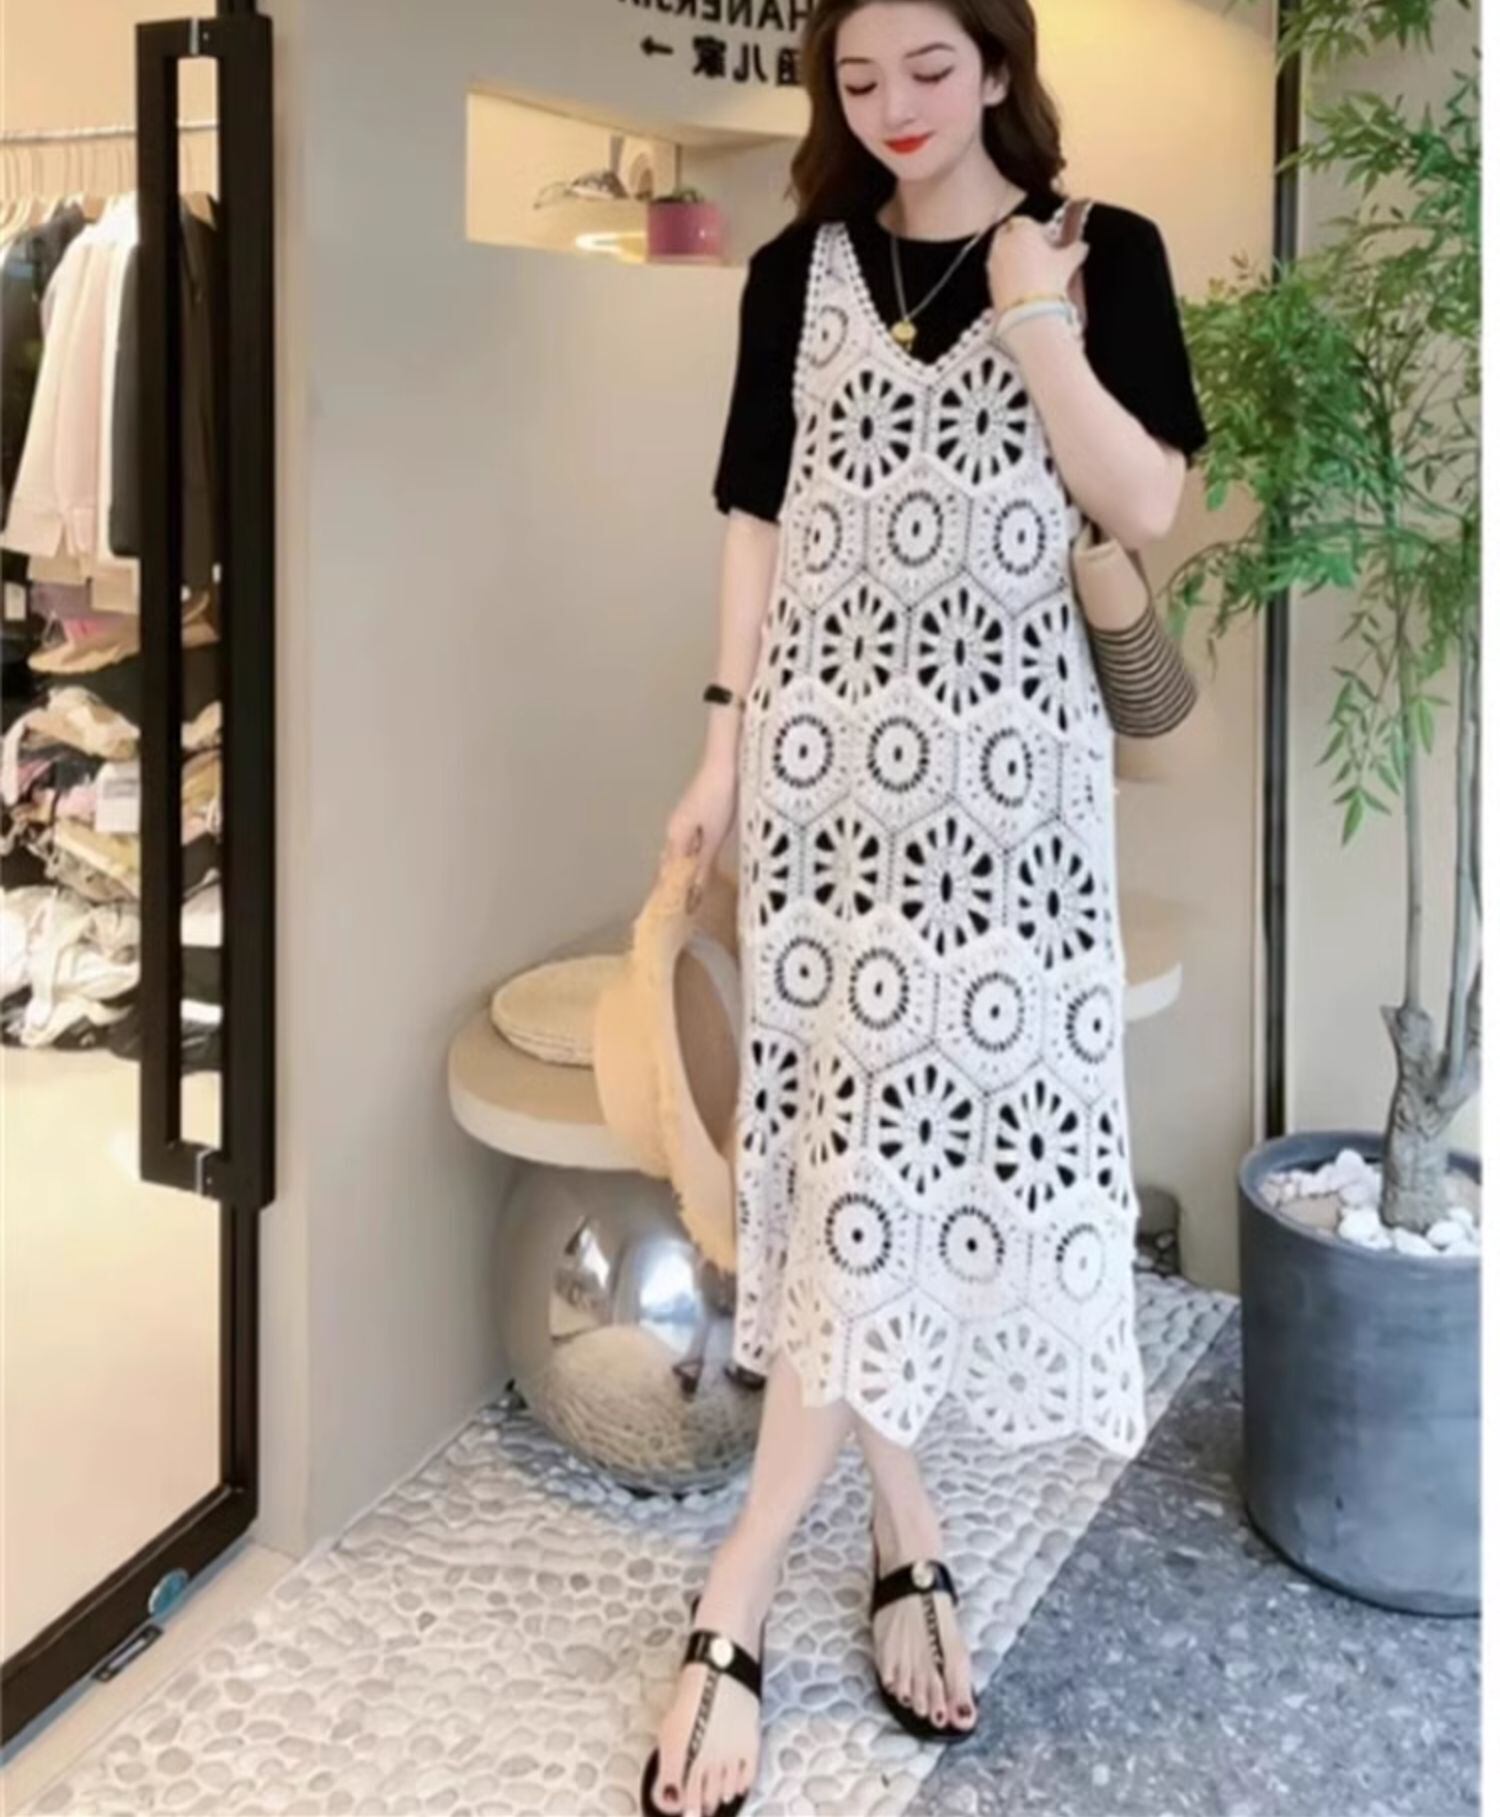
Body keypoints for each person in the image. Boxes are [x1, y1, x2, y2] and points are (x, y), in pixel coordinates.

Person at [642, 3, 1209, 1814]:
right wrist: (722, 749)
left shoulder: (1100, 249)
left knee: (902, 1159)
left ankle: (742, 1581)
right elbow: (756, 513)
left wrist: (1036, 319)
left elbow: (1146, 496)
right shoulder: (795, 271)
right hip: (827, 788)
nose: (893, 107)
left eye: (932, 71)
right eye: (859, 77)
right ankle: (899, 1525)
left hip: (1011, 800)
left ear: (1000, 67)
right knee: (855, 1158)